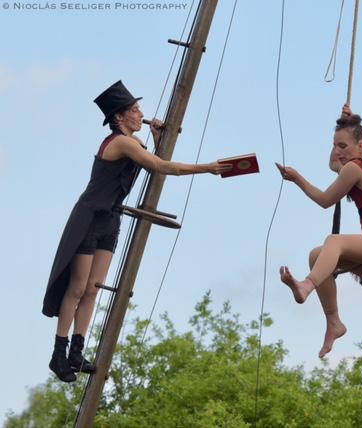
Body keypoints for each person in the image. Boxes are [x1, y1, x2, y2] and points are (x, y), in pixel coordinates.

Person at [43, 80, 231, 382]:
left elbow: (154, 161)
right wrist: (207, 167)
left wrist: (157, 139)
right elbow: (162, 167)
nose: (140, 112)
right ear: (120, 117)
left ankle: (77, 352)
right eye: (134, 109)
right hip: (89, 217)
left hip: (110, 218)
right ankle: (59, 353)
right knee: (77, 288)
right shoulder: (121, 142)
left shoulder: (133, 143)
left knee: (94, 288)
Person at [276, 105, 362, 358]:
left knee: (334, 241)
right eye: (335, 145)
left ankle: (307, 285)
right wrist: (344, 125)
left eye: (343, 146)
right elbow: (332, 163)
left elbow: (325, 200)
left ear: (361, 146)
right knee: (317, 255)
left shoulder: (354, 168)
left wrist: (297, 179)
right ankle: (334, 323)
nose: (338, 152)